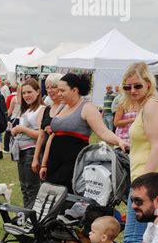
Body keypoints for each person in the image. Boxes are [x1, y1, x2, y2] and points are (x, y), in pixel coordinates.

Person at [121, 62, 158, 243]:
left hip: (151, 179)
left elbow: (157, 146)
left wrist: (142, 185)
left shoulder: (151, 105)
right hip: (151, 178)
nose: (132, 90)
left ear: (148, 84)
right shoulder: (146, 106)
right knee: (148, 240)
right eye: (128, 87)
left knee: (134, 241)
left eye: (137, 86)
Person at [40, 73, 127, 190]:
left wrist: (119, 141)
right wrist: (44, 164)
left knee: (66, 197)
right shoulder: (62, 106)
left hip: (73, 163)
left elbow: (103, 132)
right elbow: (52, 137)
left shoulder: (87, 108)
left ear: (74, 90)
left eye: (62, 90)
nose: (58, 93)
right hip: (53, 162)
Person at [10, 78, 44, 208]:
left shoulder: (41, 109)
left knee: (31, 187)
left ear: (37, 92)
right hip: (22, 151)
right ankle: (27, 217)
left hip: (32, 151)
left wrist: (21, 129)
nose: (26, 96)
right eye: (24, 93)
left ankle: (33, 219)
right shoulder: (27, 110)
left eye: (29, 92)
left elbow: (40, 134)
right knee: (24, 187)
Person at [32, 73, 62, 174]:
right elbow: (41, 136)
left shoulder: (68, 108)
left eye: (53, 87)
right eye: (47, 87)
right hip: (44, 156)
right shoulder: (47, 109)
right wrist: (35, 158)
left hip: (61, 156)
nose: (49, 90)